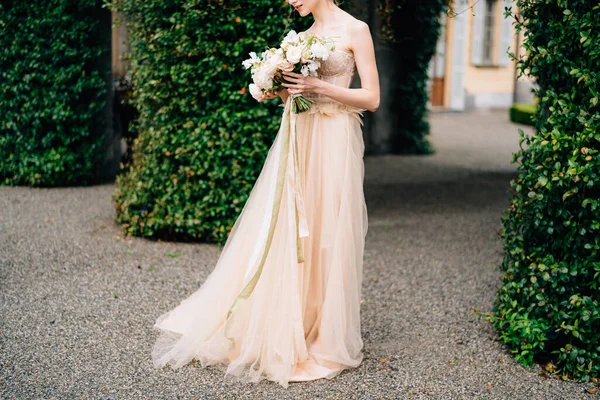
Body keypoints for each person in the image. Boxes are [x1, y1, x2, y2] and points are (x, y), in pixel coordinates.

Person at [151, 0, 380, 388]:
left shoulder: (356, 29)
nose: (290, 0)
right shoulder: (301, 39)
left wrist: (318, 85)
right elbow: (297, 97)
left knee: (328, 230)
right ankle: (290, 320)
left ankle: (324, 330)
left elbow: (372, 98)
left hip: (335, 139)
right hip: (301, 137)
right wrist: (275, 87)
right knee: (291, 228)